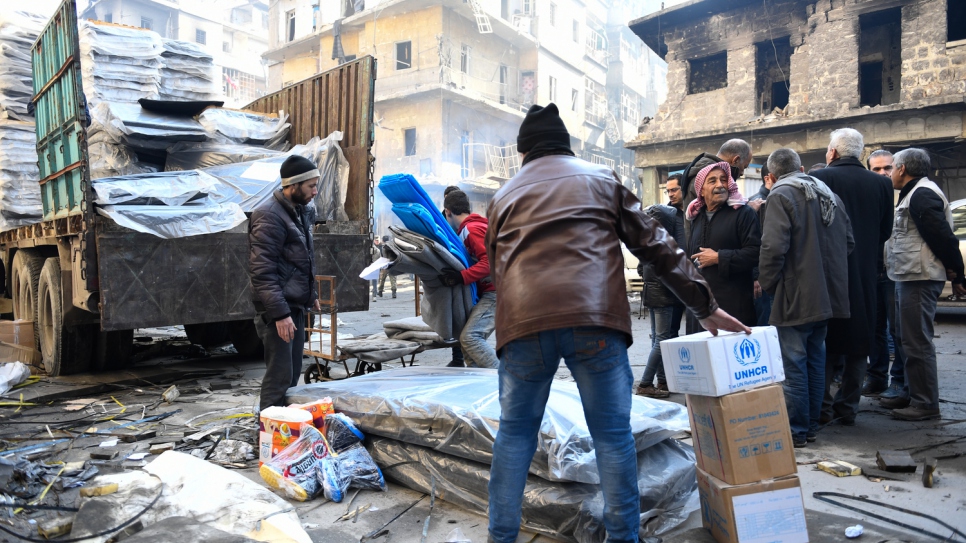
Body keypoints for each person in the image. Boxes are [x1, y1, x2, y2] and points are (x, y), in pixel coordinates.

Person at [485, 103, 750, 543]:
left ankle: (500, 537)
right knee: (611, 436)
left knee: (514, 434)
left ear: (524, 153)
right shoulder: (601, 178)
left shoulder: (503, 195)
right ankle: (623, 537)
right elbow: (657, 245)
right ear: (565, 145)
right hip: (596, 319)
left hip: (523, 326)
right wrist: (703, 305)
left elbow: (499, 268)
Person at [758, 148, 853, 447]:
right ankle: (810, 427)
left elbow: (773, 248)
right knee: (814, 359)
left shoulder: (781, 194)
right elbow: (848, 243)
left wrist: (769, 283)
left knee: (794, 364)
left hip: (796, 293)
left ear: (771, 177)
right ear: (801, 167)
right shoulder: (828, 194)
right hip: (826, 294)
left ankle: (797, 432)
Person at [811, 128, 893, 426]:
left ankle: (822, 407)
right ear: (860, 153)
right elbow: (886, 231)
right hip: (865, 272)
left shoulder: (822, 179)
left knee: (826, 340)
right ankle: (848, 409)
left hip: (827, 271)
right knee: (860, 341)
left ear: (832, 152)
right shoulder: (881, 185)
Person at [883, 148, 966, 421]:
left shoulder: (923, 194)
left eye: (893, 167)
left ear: (903, 168)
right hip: (907, 274)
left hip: (919, 277)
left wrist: (957, 274)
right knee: (907, 339)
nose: (891, 172)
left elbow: (944, 237)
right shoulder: (913, 193)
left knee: (917, 341)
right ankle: (910, 393)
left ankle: (925, 403)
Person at [250, 155, 322, 411]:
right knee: (279, 378)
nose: (315, 191)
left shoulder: (300, 211)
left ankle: (285, 432)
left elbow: (303, 259)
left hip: (295, 307)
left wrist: (310, 293)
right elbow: (262, 271)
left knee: (292, 376)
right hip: (278, 312)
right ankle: (267, 435)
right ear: (293, 185)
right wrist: (280, 314)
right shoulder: (269, 216)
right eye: (311, 186)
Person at [685, 162, 761, 331]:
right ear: (701, 190)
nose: (720, 184)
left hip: (733, 306)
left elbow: (755, 253)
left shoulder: (743, 213)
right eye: (712, 181)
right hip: (701, 308)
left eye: (723, 180)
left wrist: (719, 257)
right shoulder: (697, 218)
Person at [635, 173, 686, 399]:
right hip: (664, 294)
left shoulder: (651, 239)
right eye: (668, 191)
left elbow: (641, 267)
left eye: (674, 190)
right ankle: (646, 382)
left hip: (653, 293)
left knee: (659, 338)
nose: (671, 194)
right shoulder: (667, 238)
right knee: (663, 339)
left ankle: (663, 381)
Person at [440, 189, 499, 369]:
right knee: (467, 348)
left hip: (497, 292)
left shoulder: (471, 229)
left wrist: (461, 276)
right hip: (494, 290)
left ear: (448, 211)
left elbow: (490, 262)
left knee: (470, 338)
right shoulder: (472, 227)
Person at [864, 150, 905, 399]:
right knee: (875, 328)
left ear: (897, 168)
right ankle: (877, 377)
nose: (882, 174)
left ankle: (898, 381)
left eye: (887, 168)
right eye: (876, 169)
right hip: (873, 270)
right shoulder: (869, 195)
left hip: (896, 272)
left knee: (897, 331)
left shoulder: (906, 195)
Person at [680, 139, 754, 245]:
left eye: (723, 180)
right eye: (744, 167)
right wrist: (749, 210)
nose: (742, 172)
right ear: (736, 160)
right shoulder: (706, 174)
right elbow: (721, 214)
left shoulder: (702, 170)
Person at [441, 185, 467, 367]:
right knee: (455, 317)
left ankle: (460, 357)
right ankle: (458, 357)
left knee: (462, 316)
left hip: (464, 274)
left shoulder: (468, 227)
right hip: (451, 272)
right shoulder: (443, 217)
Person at [749, 164, 776, 326]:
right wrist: (756, 276)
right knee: (765, 326)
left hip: (772, 277)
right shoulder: (758, 203)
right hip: (763, 279)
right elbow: (753, 244)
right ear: (768, 178)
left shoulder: (776, 199)